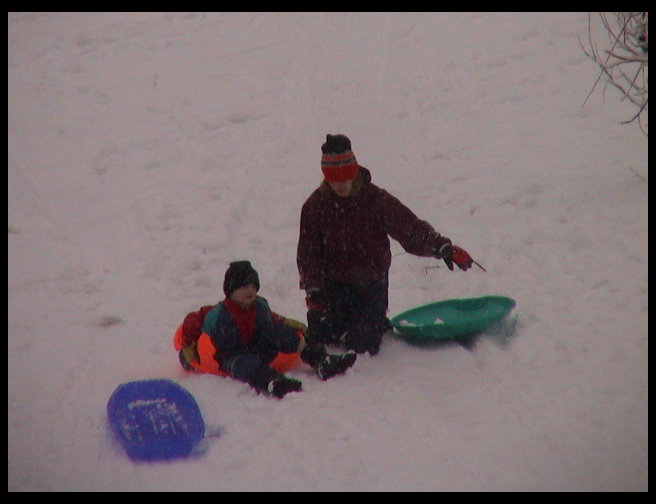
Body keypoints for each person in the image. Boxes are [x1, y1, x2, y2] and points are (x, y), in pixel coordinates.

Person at [297, 134, 475, 356]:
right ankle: (351, 319)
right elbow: (308, 253)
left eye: (345, 178)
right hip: (333, 286)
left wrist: (441, 247)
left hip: (370, 285)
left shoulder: (375, 199)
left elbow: (410, 228)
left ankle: (374, 319)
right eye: (334, 179)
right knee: (323, 337)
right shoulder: (315, 206)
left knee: (362, 345)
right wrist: (315, 292)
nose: (340, 184)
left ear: (354, 172)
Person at [178, 261, 356, 399]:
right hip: (230, 357)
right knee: (245, 364)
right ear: (230, 290)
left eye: (254, 286)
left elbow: (272, 319)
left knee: (278, 331)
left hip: (258, 348)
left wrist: (288, 323)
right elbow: (191, 322)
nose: (251, 290)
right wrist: (188, 349)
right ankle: (272, 381)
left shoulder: (260, 305)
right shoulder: (216, 314)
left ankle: (321, 361)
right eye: (244, 286)